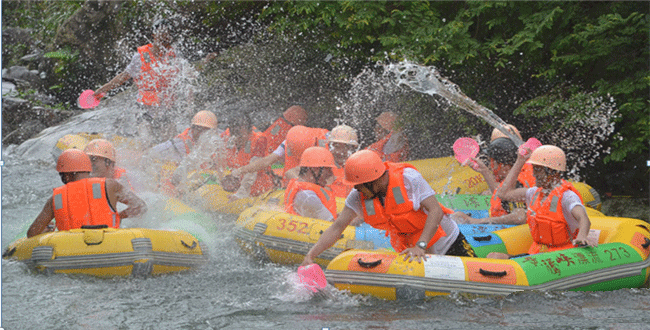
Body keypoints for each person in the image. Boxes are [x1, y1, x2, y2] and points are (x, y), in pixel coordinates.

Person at [301, 150, 476, 266]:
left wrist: (420, 246)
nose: (355, 189)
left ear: (373, 181)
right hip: (413, 254)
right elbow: (338, 226)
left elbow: (436, 211)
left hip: (449, 243)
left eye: (358, 185)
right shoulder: (359, 196)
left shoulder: (408, 179)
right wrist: (311, 255)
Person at [93, 18, 192, 145]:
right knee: (146, 142)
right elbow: (123, 77)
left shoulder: (175, 57)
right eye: (161, 34)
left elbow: (188, 81)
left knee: (169, 144)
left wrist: (189, 106)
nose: (164, 37)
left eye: (167, 34)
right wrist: (102, 90)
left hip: (167, 109)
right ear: (154, 35)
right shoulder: (140, 57)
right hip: (144, 109)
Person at [487, 145, 595, 259]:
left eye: (538, 170)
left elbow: (584, 218)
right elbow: (503, 194)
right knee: (492, 255)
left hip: (562, 257)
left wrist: (582, 236)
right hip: (538, 255)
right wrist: (520, 161)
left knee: (497, 258)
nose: (534, 174)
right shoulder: (534, 193)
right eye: (534, 169)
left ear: (553, 172)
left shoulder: (567, 197)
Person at [27, 149, 147, 238]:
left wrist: (46, 232)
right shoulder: (110, 185)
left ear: (67, 175)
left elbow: (32, 233)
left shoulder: (55, 198)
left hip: (71, 253)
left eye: (61, 175)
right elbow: (141, 207)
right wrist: (119, 216)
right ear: (88, 170)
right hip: (110, 246)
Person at [452, 133, 536, 225]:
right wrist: (484, 171)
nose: (491, 167)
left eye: (492, 162)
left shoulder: (516, 183)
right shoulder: (513, 179)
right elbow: (501, 196)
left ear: (504, 166)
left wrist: (477, 221)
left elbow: (519, 217)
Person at [231, 125, 329, 185]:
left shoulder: (327, 144)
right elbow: (266, 161)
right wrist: (240, 171)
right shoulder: (290, 141)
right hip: (299, 183)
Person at [220, 113, 275, 200]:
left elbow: (253, 171)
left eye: (239, 135)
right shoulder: (225, 136)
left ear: (249, 131)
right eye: (233, 134)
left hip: (257, 186)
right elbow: (217, 159)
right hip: (236, 182)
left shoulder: (259, 140)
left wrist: (240, 194)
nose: (236, 138)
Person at [284, 146, 338, 221]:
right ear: (315, 169)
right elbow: (334, 227)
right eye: (328, 169)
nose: (330, 174)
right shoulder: (309, 197)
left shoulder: (304, 191)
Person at [147, 110, 218, 165]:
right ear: (192, 129)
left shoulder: (217, 142)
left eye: (206, 131)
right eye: (199, 130)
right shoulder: (178, 145)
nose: (203, 134)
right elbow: (150, 154)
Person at [327, 124, 359, 198]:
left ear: (353, 149)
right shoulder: (322, 169)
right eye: (337, 146)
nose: (340, 152)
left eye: (346, 147)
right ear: (330, 147)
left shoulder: (359, 171)